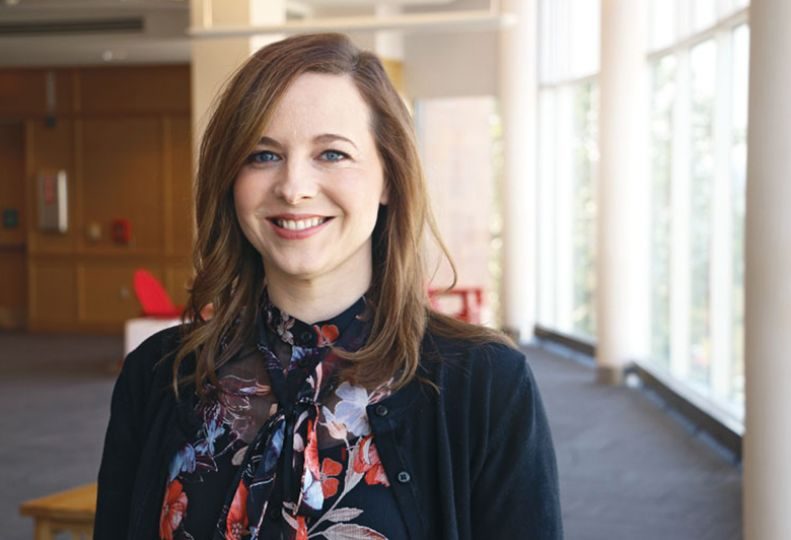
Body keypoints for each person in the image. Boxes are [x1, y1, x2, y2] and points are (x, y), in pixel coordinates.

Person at [94, 33, 562, 540]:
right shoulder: (158, 376)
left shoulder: (487, 384)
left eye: (332, 154)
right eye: (263, 155)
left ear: (389, 178)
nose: (293, 187)